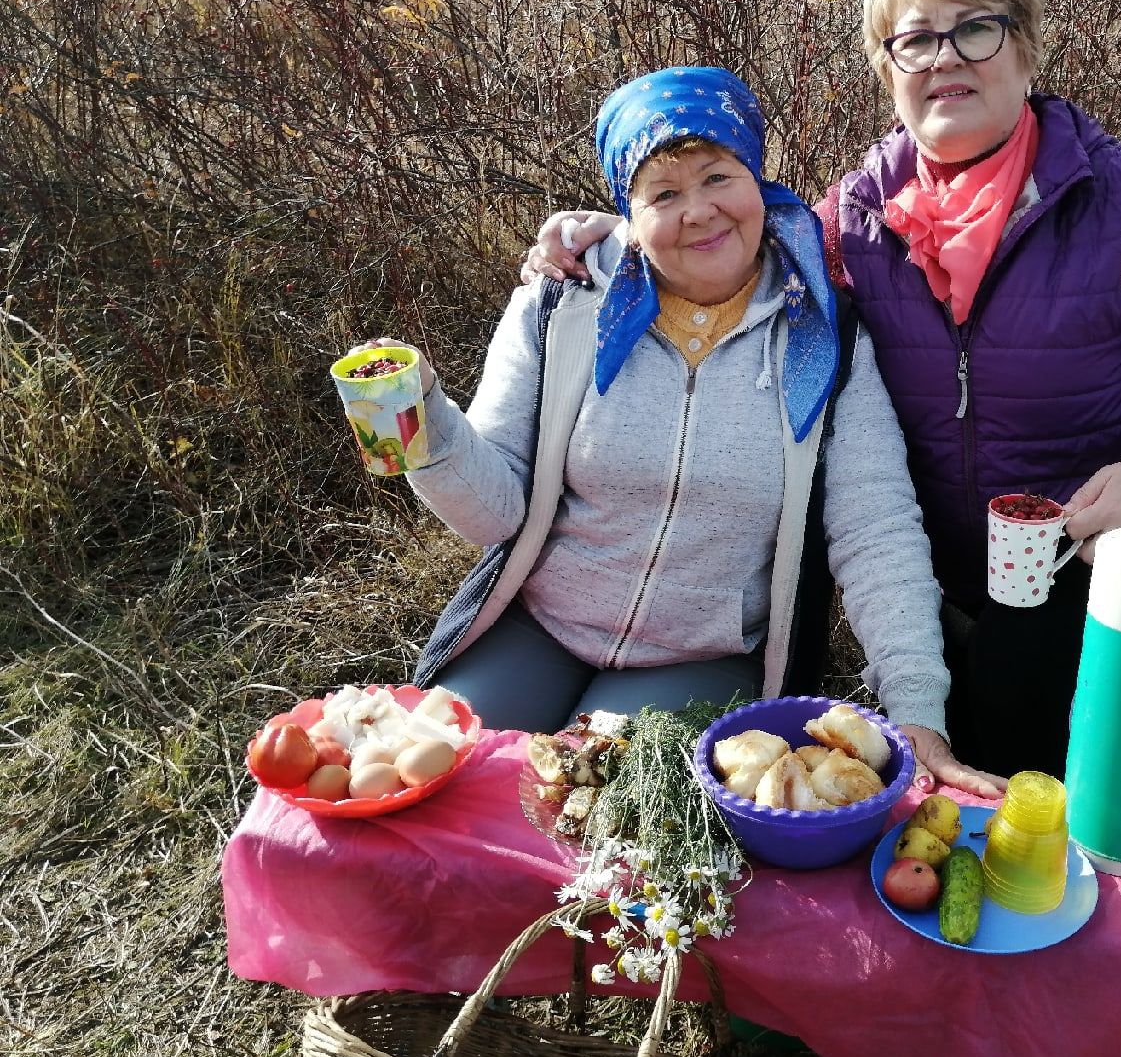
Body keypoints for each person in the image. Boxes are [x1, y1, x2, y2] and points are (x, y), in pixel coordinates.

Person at [524, 0, 1121, 781]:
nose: (945, 58)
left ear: (1023, 48)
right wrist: (614, 236)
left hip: (1096, 577)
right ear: (889, 69)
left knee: (1075, 815)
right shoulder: (854, 221)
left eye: (974, 29)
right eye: (915, 38)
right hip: (936, 584)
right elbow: (733, 247)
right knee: (946, 810)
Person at [353, 65, 1004, 797]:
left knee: (593, 820)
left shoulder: (825, 336)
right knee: (431, 787)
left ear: (755, 177)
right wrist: (419, 419)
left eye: (718, 176)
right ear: (628, 211)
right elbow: (494, 513)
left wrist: (918, 713)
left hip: (701, 656)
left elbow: (875, 528)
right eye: (663, 193)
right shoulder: (562, 305)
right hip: (538, 627)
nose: (699, 211)